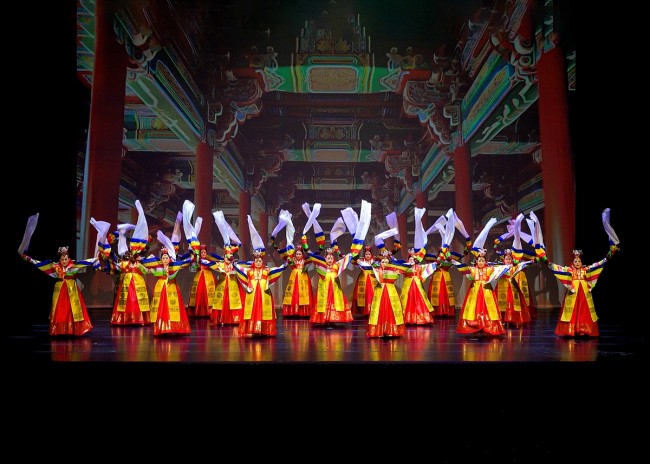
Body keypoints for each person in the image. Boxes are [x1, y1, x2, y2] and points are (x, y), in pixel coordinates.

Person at [20, 246, 96, 337]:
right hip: (60, 291)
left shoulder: (73, 266)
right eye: (62, 259)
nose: (64, 261)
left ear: (69, 259)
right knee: (61, 310)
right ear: (60, 260)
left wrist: (97, 258)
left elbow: (86, 262)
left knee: (71, 310)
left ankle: (73, 330)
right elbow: (41, 264)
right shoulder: (55, 267)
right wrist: (29, 259)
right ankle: (60, 330)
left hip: (72, 290)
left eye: (66, 259)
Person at [540, 248, 617, 337]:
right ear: (573, 263)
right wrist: (545, 260)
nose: (577, 262)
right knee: (573, 311)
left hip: (584, 293)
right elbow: (556, 268)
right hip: (573, 292)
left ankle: (584, 329)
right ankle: (571, 330)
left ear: (581, 262)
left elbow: (598, 265)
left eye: (579, 261)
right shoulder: (569, 270)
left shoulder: (586, 269)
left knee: (584, 311)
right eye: (575, 261)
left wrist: (609, 255)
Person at [452, 248, 510, 336]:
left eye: (483, 261)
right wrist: (453, 261)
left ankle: (488, 327)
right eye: (479, 261)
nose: (481, 262)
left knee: (488, 309)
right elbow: (462, 268)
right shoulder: (472, 269)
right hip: (475, 291)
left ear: (485, 262)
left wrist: (508, 266)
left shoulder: (489, 269)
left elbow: (500, 269)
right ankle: (474, 327)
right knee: (474, 309)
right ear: (476, 262)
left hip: (487, 291)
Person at [144, 244, 193, 336]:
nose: (165, 259)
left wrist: (192, 257)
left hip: (171, 288)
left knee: (173, 308)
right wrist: (149, 258)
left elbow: (185, 263)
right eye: (163, 258)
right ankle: (161, 328)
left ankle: (174, 328)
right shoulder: (158, 268)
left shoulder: (173, 267)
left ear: (169, 259)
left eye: (167, 258)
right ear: (161, 260)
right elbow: (146, 266)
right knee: (161, 308)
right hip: (161, 288)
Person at [236, 250, 287, 337]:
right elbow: (240, 269)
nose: (258, 263)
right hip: (253, 294)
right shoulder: (249, 271)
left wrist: (285, 264)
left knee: (263, 310)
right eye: (256, 261)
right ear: (254, 261)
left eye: (260, 261)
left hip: (264, 293)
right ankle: (251, 329)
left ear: (262, 261)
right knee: (253, 310)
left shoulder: (266, 270)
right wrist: (233, 262)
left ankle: (265, 330)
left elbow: (277, 269)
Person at [308, 245, 354, 327]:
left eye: (331, 258)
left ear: (333, 259)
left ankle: (333, 319)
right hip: (324, 287)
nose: (329, 260)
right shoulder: (322, 265)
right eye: (328, 258)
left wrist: (338, 251)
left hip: (334, 288)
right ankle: (323, 318)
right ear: (325, 259)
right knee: (323, 302)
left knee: (335, 301)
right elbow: (313, 258)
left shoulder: (336, 264)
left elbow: (345, 259)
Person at [364, 249, 407, 337]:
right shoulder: (376, 271)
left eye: (386, 262)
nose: (384, 263)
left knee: (391, 309)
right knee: (379, 309)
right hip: (379, 291)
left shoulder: (394, 271)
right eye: (383, 262)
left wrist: (391, 257)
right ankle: (378, 331)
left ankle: (392, 330)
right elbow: (370, 266)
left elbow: (402, 267)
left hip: (390, 291)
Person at [204, 244, 246, 326]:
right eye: (227, 257)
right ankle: (220, 319)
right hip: (222, 285)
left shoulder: (235, 265)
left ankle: (235, 319)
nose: (228, 259)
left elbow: (243, 268)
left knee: (234, 301)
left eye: (230, 258)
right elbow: (210, 264)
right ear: (224, 257)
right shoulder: (220, 264)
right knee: (221, 302)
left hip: (233, 285)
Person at [276, 235, 315, 318]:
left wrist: (306, 247)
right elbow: (285, 257)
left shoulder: (305, 260)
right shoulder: (292, 260)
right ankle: (292, 311)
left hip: (303, 278)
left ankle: (304, 312)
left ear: (302, 254)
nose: (298, 255)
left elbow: (312, 257)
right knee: (294, 294)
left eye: (300, 254)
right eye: (297, 254)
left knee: (304, 294)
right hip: (294, 279)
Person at [495, 249, 532, 327]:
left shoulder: (515, 267)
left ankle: (514, 319)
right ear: (504, 260)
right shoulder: (501, 268)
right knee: (503, 304)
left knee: (513, 303)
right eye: (506, 259)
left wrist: (532, 261)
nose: (508, 260)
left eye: (509, 259)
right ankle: (503, 320)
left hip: (512, 287)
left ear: (512, 260)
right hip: (503, 287)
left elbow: (524, 264)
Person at [400, 248, 437, 325]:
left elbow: (427, 266)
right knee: (407, 301)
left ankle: (422, 318)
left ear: (415, 260)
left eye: (413, 259)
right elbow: (397, 267)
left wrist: (434, 263)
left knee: (419, 300)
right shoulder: (405, 267)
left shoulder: (419, 267)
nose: (412, 260)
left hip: (417, 286)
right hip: (408, 285)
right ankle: (407, 318)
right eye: (410, 259)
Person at [186, 244, 221, 318]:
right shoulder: (197, 260)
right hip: (199, 277)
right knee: (199, 293)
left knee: (209, 294)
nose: (203, 254)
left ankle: (209, 311)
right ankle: (198, 311)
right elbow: (194, 267)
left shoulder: (209, 260)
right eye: (202, 252)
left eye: (205, 252)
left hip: (209, 277)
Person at [350, 246, 377, 317]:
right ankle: (364, 311)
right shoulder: (361, 261)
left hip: (372, 279)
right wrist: (355, 256)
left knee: (372, 294)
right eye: (366, 254)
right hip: (362, 279)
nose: (367, 255)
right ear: (364, 255)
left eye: (369, 254)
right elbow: (352, 261)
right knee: (362, 295)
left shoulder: (374, 261)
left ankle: (373, 311)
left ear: (371, 255)